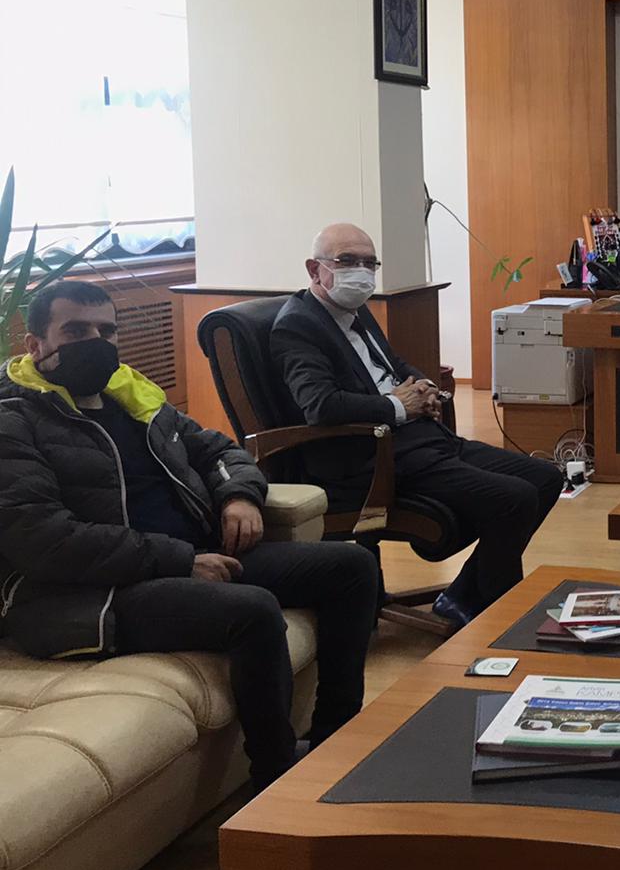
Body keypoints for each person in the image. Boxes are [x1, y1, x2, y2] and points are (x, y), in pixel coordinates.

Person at [0, 280, 378, 793]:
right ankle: (275, 777)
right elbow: (44, 540)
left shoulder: (133, 398)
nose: (95, 342)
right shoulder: (15, 420)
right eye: (75, 331)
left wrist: (239, 496)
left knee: (352, 567)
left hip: (188, 557)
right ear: (35, 344)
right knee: (252, 609)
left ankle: (336, 739)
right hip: (88, 595)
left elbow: (220, 450)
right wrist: (179, 560)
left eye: (106, 331)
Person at [271, 223, 563, 628]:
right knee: (513, 498)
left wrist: (424, 386)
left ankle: (464, 595)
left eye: (369, 263)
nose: (361, 272)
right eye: (347, 261)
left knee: (546, 477)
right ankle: (497, 619)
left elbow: (393, 364)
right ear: (313, 268)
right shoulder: (298, 326)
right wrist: (397, 406)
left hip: (420, 443)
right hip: (369, 460)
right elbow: (320, 406)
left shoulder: (354, 310)